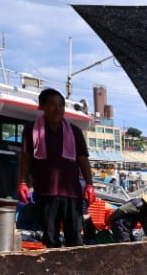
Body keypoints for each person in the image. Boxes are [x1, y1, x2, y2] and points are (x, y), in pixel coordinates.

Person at [17, 88, 96, 248]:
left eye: (61, 105)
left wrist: (89, 184)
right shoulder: (31, 129)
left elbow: (83, 159)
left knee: (74, 236)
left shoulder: (75, 131)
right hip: (46, 191)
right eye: (52, 104)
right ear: (42, 106)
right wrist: (23, 183)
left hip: (71, 192)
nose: (57, 109)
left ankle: (74, 261)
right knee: (50, 236)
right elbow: (26, 157)